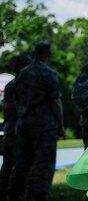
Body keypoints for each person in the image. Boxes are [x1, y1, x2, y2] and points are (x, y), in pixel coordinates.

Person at [7, 41, 64, 201]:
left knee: (22, 161)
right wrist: (61, 125)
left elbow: (16, 100)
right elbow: (55, 102)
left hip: (23, 123)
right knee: (43, 162)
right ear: (49, 54)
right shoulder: (48, 74)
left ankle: (14, 193)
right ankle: (37, 194)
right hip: (44, 126)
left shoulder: (22, 74)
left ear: (34, 53)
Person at [0, 55, 32, 201]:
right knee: (11, 164)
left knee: (16, 164)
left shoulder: (19, 84)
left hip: (17, 129)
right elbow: (9, 106)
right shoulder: (15, 85)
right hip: (15, 130)